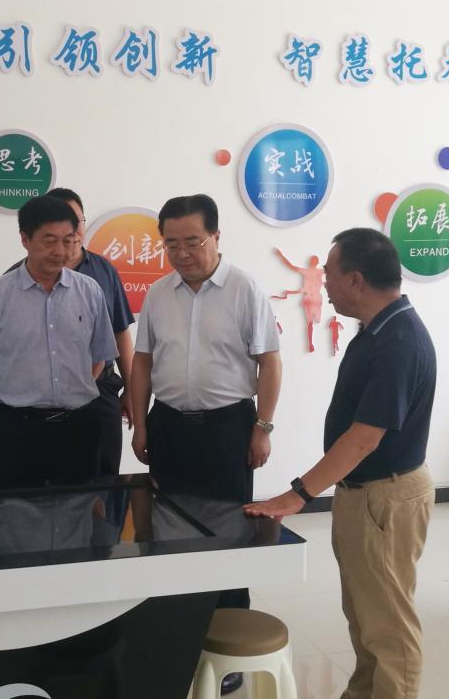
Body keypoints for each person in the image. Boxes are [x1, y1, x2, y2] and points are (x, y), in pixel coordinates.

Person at [246, 228, 437, 699]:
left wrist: (298, 493)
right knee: (365, 615)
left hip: (385, 496)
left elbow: (365, 439)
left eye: (329, 273)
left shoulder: (398, 341)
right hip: (364, 494)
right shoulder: (378, 329)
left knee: (388, 625)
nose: (323, 284)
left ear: (355, 280)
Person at [130, 194, 281, 695]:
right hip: (169, 426)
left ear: (216, 236)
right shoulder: (158, 294)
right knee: (168, 531)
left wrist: (262, 427)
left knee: (230, 538)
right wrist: (140, 424)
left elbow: (269, 362)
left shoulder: (244, 289)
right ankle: (175, 636)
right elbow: (143, 362)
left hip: (226, 429)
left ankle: (228, 644)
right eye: (171, 244)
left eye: (192, 242)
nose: (182, 253)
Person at [0, 195, 118, 489]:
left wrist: (71, 395)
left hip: (79, 428)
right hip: (15, 433)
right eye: (49, 241)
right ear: (25, 239)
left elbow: (99, 356)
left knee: (78, 509)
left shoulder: (90, 291)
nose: (60, 251)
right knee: (13, 511)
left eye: (68, 240)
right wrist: (14, 408)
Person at [5, 187, 136, 475]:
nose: (73, 231)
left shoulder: (104, 271)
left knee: (103, 476)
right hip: (40, 398)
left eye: (78, 221)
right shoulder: (13, 280)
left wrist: (131, 389)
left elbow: (120, 332)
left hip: (100, 390)